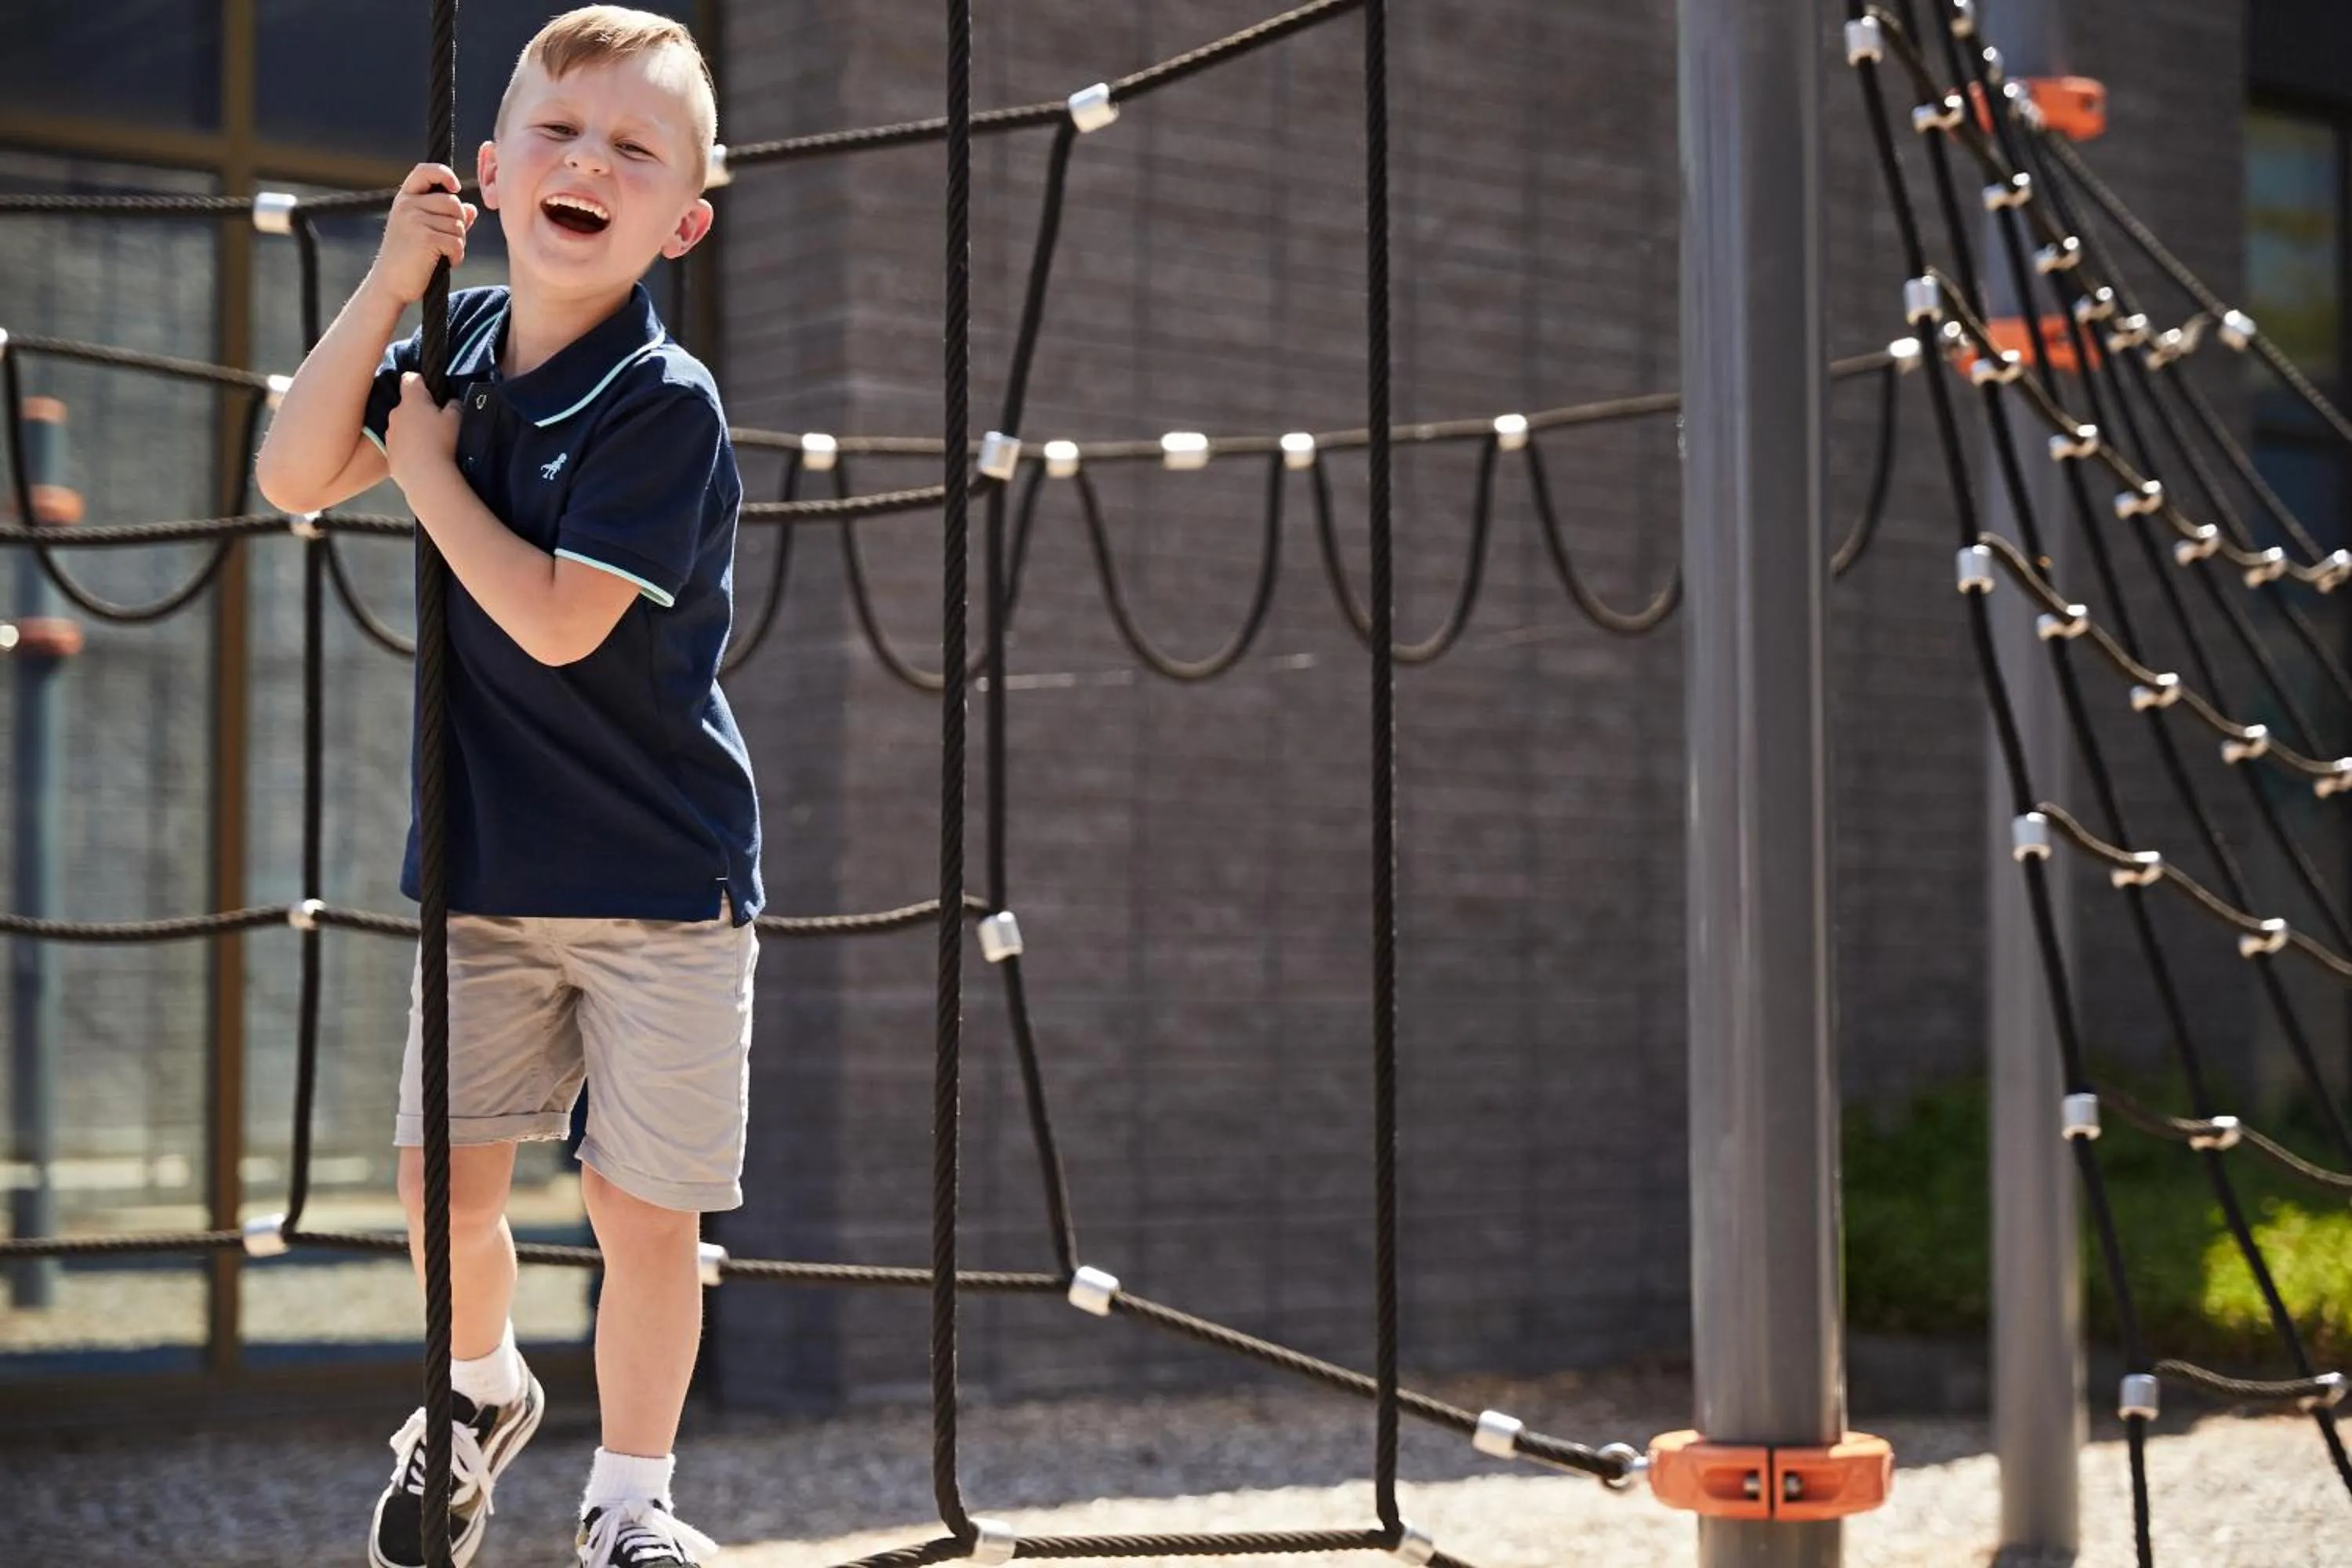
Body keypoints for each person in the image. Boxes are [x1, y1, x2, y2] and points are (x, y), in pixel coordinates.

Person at [253, 9, 758, 1564]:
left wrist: (423, 472)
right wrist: (393, 287)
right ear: (490, 169)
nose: (586, 160)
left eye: (632, 147)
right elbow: (286, 471)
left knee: (640, 1216)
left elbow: (547, 622)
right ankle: (476, 1395)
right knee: (435, 1192)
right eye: (557, 132)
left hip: (661, 881)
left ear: (682, 218)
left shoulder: (660, 402)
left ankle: (631, 1506)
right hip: (486, 868)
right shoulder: (455, 341)